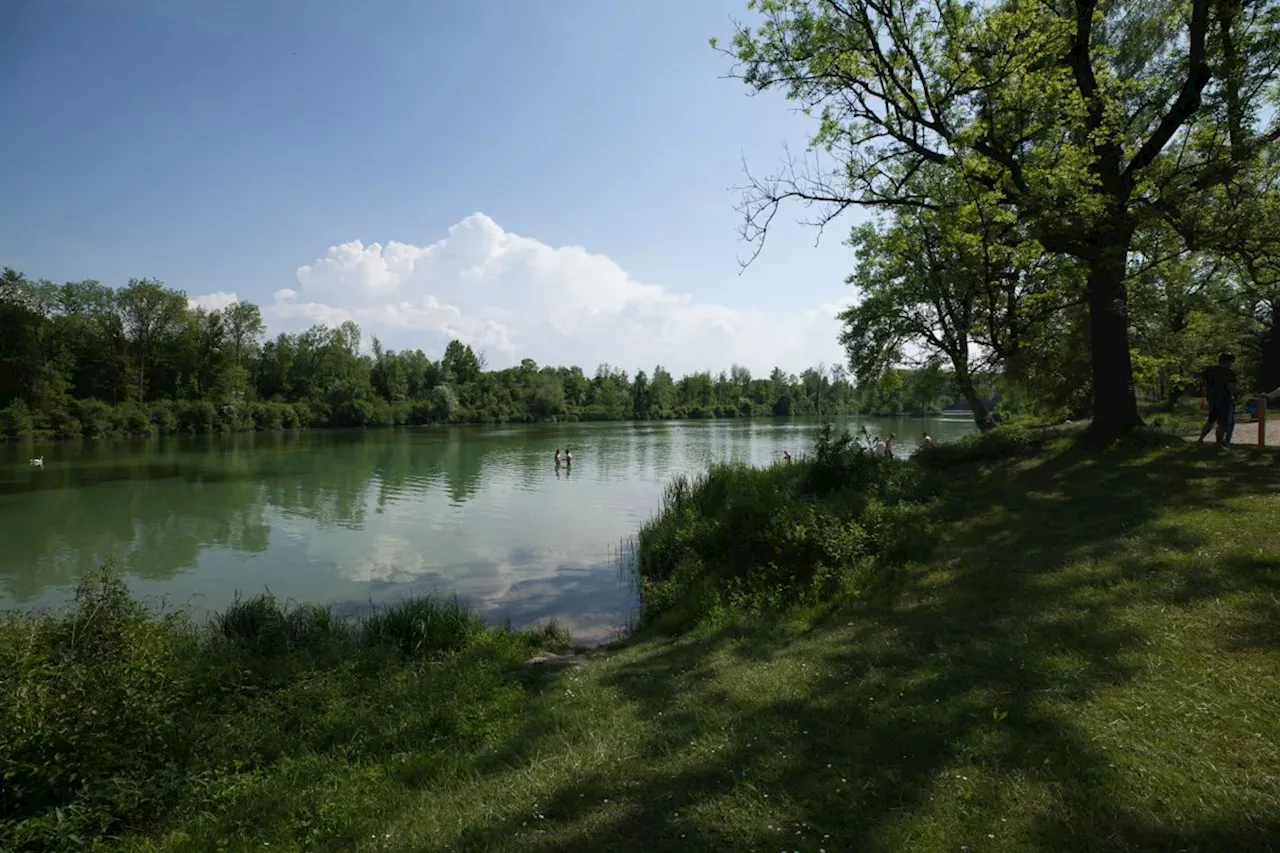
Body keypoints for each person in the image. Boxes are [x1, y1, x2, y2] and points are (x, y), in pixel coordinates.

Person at [1198, 352, 1239, 447]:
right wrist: (1240, 391)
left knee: (1210, 420)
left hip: (1212, 398)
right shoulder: (1229, 373)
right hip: (1224, 399)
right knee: (1222, 423)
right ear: (1229, 362)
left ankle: (1200, 439)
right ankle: (1218, 443)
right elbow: (1230, 387)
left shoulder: (1210, 371)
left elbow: (1203, 384)